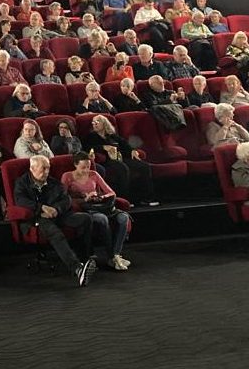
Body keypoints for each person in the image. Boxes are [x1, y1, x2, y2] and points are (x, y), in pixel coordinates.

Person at [13, 156, 95, 286]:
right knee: (55, 233)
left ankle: (85, 260)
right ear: (32, 169)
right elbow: (20, 201)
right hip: (36, 218)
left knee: (85, 219)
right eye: (43, 168)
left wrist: (56, 209)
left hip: (57, 215)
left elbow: (66, 199)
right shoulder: (21, 183)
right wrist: (41, 208)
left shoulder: (53, 182)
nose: (46, 172)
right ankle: (77, 268)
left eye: (48, 168)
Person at [61, 152, 131, 271]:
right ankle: (111, 255)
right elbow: (63, 199)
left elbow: (111, 193)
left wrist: (99, 197)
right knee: (102, 218)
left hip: (99, 205)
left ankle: (115, 255)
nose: (86, 170)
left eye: (88, 166)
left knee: (124, 217)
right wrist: (84, 199)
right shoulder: (67, 176)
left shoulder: (94, 174)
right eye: (83, 167)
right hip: (84, 208)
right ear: (75, 165)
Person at [85, 114, 157, 206]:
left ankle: (147, 198)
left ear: (104, 123)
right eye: (93, 122)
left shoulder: (112, 136)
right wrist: (103, 147)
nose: (94, 124)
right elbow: (87, 148)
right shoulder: (91, 136)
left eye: (96, 122)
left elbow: (125, 144)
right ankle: (126, 200)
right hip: (107, 161)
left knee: (144, 166)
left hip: (121, 158)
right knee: (123, 168)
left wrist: (132, 150)